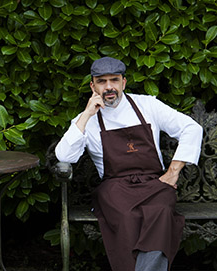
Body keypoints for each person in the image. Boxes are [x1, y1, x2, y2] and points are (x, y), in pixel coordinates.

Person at [55, 57, 203, 271]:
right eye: (102, 81)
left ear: (123, 82)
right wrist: (87, 114)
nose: (109, 87)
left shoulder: (148, 105)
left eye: (114, 80)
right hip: (115, 188)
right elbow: (64, 156)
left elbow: (192, 128)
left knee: (161, 211)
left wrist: (173, 172)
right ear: (93, 86)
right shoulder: (87, 119)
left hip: (155, 183)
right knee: (127, 217)